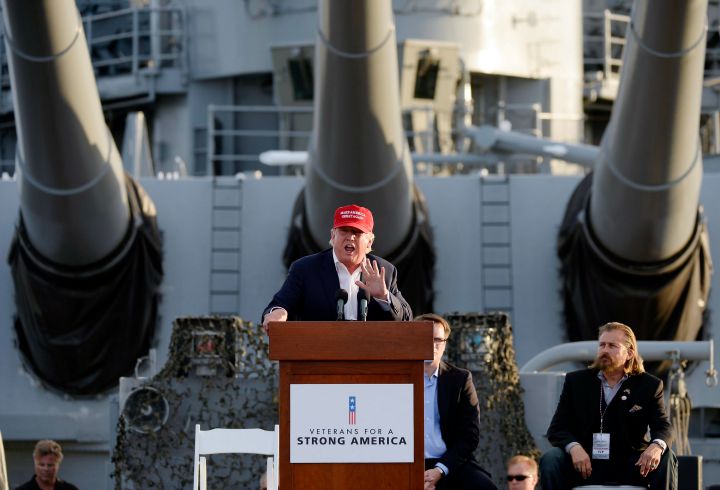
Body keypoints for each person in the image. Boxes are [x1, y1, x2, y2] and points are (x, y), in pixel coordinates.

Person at [540, 322, 677, 490]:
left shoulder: (649, 385)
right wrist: (574, 448)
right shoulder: (576, 381)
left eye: (612, 345)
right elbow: (557, 428)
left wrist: (656, 446)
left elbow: (663, 425)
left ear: (629, 353)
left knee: (666, 456)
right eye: (602, 345)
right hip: (585, 464)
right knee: (551, 458)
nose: (604, 350)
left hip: (631, 465)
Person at [262, 204, 412, 331]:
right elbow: (279, 305)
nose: (350, 237)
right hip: (320, 358)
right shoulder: (305, 269)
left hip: (371, 360)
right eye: (344, 231)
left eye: (357, 232)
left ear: (369, 242)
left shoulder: (384, 271)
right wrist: (278, 313)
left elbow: (407, 319)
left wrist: (384, 297)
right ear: (333, 236)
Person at [416, 313, 497, 490]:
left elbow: (469, 435)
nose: (432, 344)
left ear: (444, 344)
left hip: (449, 463)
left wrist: (440, 470)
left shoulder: (460, 379)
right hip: (407, 463)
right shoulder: (397, 378)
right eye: (424, 338)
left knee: (485, 487)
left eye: (437, 339)